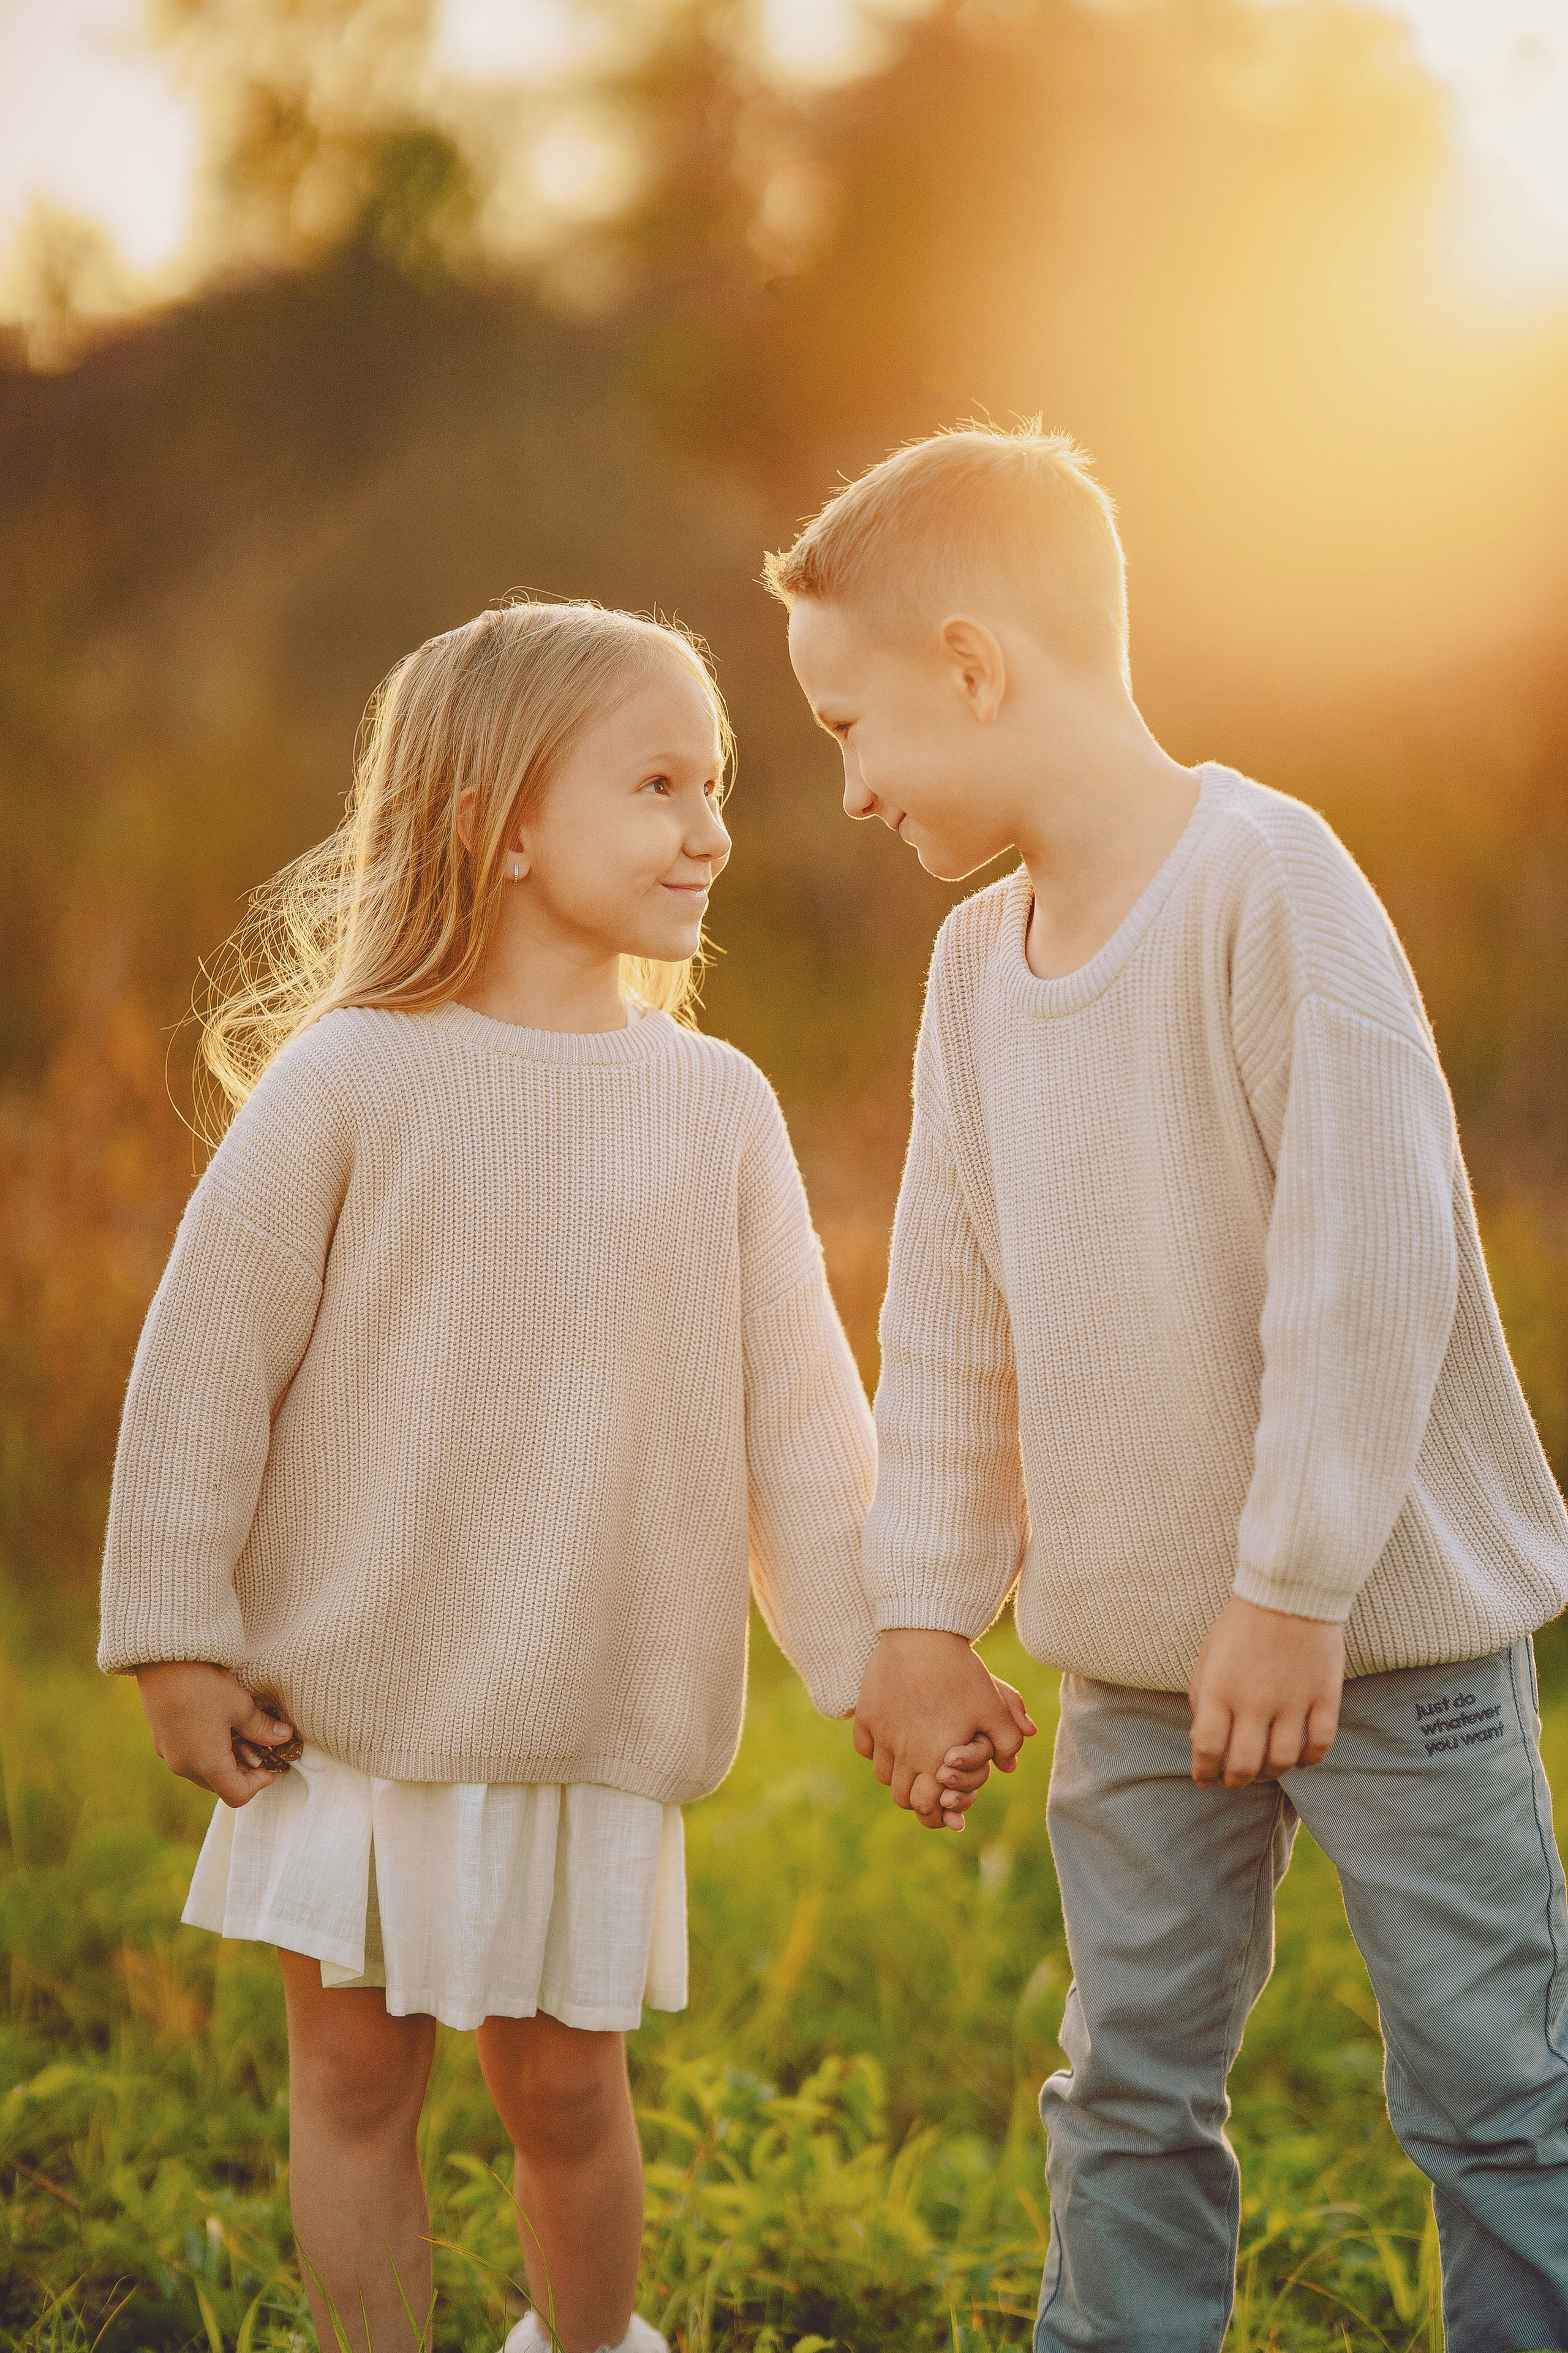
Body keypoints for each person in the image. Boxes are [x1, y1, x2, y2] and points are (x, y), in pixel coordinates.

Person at [767, 424, 1568, 2353]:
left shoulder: (1271, 884)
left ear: (976, 664)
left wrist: (1294, 1584)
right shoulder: (974, 970)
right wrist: (926, 1608)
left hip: (1379, 1643)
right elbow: (951, 1318)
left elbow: (1364, 1266)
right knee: (1126, 2089)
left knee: (1495, 2090)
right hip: (1134, 1660)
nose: (852, 789)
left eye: (850, 726)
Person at [98, 598, 977, 2353]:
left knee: (567, 2094)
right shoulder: (351, 1077)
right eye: (657, 783)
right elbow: (205, 1360)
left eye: (715, 783)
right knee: (352, 2074)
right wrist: (172, 1640)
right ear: (498, 823)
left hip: (583, 1711)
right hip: (344, 1705)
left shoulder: (714, 1104)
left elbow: (796, 1411)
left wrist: (885, 1655)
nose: (711, 828)